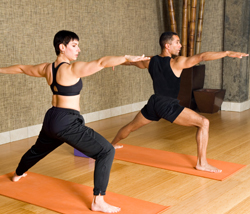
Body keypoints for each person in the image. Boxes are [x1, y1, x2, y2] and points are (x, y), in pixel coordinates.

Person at [0, 30, 150, 213]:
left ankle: (17, 174)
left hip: (51, 118)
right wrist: (126, 57)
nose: (78, 49)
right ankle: (98, 201)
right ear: (61, 47)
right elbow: (101, 62)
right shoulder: (71, 68)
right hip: (66, 121)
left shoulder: (47, 68)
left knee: (37, 150)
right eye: (74, 45)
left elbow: (22, 68)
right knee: (106, 151)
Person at [111, 31, 249, 173]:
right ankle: (202, 163)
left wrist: (114, 63)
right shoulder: (177, 62)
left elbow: (131, 62)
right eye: (177, 42)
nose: (180, 45)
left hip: (155, 102)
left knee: (131, 126)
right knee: (204, 123)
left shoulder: (149, 61)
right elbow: (202, 56)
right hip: (167, 105)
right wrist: (226, 53)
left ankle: (111, 145)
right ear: (167, 46)